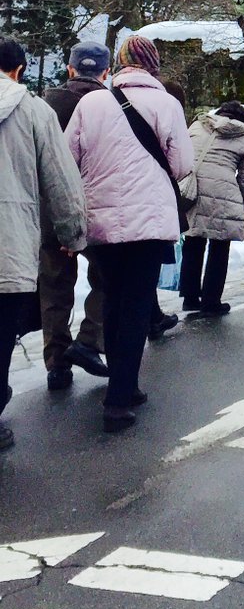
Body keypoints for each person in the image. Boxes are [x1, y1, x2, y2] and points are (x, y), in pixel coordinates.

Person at [65, 35, 193, 433]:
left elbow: (68, 159)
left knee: (113, 299)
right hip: (149, 223)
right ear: (153, 65)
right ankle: (120, 398)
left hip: (100, 220)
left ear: (118, 64)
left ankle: (124, 387)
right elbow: (183, 163)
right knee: (137, 306)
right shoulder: (168, 105)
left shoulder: (91, 103)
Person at [0, 38, 87, 451]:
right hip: (11, 242)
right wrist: (72, 235)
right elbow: (60, 180)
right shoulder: (35, 111)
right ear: (18, 70)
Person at [39, 42, 110, 391]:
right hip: (96, 209)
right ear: (105, 73)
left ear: (69, 69)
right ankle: (89, 338)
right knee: (108, 276)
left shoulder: (44, 107)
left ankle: (56, 363)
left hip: (51, 212)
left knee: (54, 288)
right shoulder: (112, 109)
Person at [179, 101, 244, 316]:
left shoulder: (197, 125)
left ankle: (190, 297)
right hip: (223, 191)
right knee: (220, 244)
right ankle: (212, 301)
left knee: (193, 239)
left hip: (192, 189)